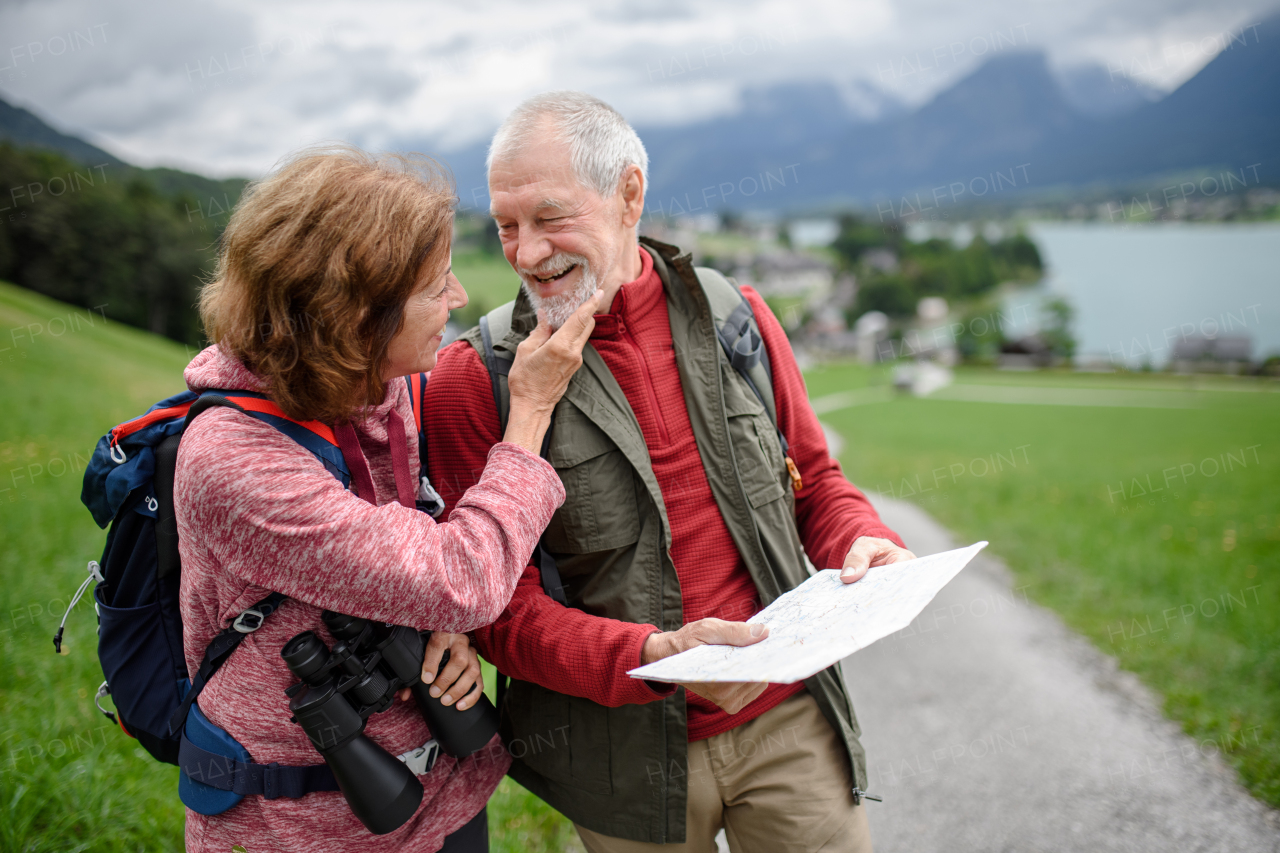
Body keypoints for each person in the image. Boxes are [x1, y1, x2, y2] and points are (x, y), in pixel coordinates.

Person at [425, 92, 915, 853]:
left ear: (629, 194)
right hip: (619, 761)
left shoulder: (737, 315)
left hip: (789, 724)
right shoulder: (475, 380)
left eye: (549, 218)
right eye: (504, 226)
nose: (524, 252)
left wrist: (865, 539)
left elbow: (814, 483)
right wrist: (652, 657)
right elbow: (498, 613)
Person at [176, 144, 601, 852]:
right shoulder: (232, 461)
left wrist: (442, 623)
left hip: (445, 789)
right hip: (297, 823)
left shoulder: (383, 385)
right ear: (356, 315)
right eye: (436, 285)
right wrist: (528, 413)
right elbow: (460, 576)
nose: (460, 297)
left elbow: (425, 549)